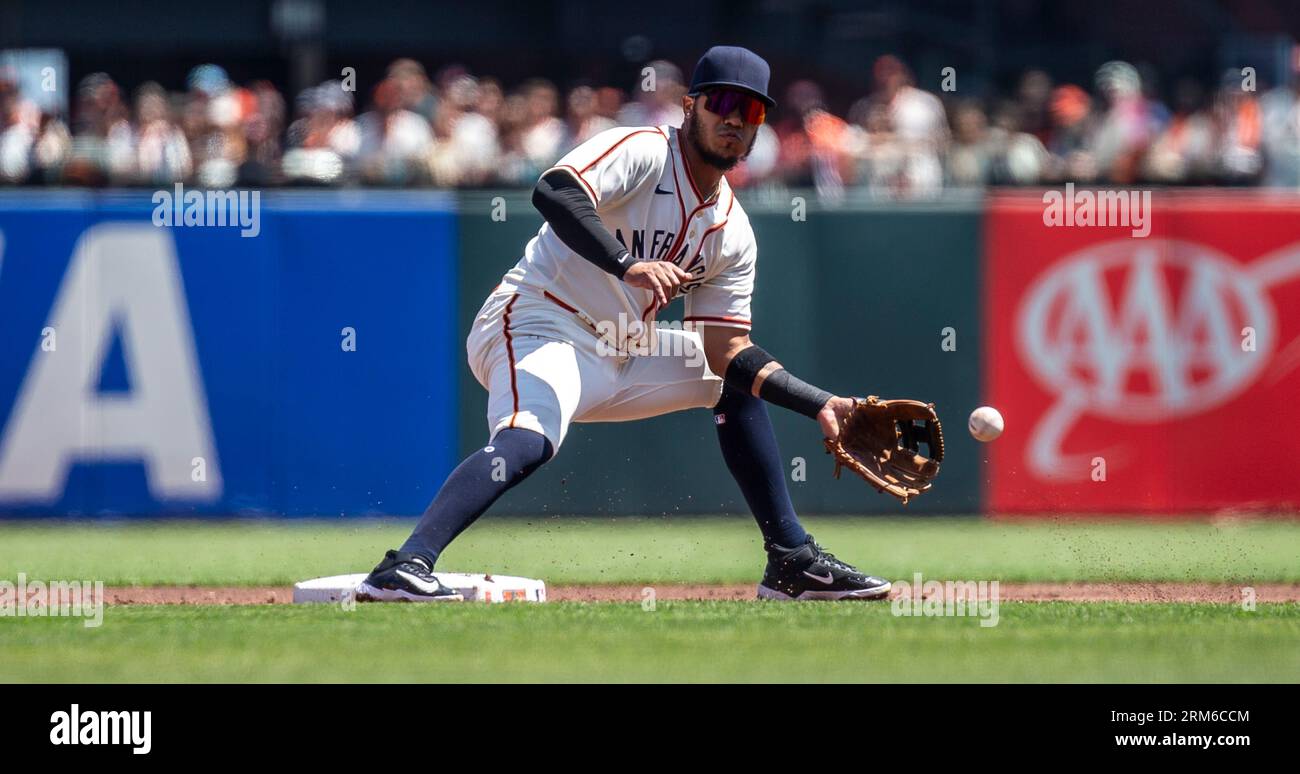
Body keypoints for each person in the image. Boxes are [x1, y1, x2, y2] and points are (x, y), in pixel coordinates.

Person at [358, 46, 896, 603]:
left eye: (752, 110)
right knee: (528, 438)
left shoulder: (731, 230)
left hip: (621, 346)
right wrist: (627, 263)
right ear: (691, 106)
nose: (734, 118)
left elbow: (726, 349)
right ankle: (405, 564)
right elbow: (554, 191)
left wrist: (821, 404)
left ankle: (791, 561)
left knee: (732, 387)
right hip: (538, 319)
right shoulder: (644, 149)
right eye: (722, 102)